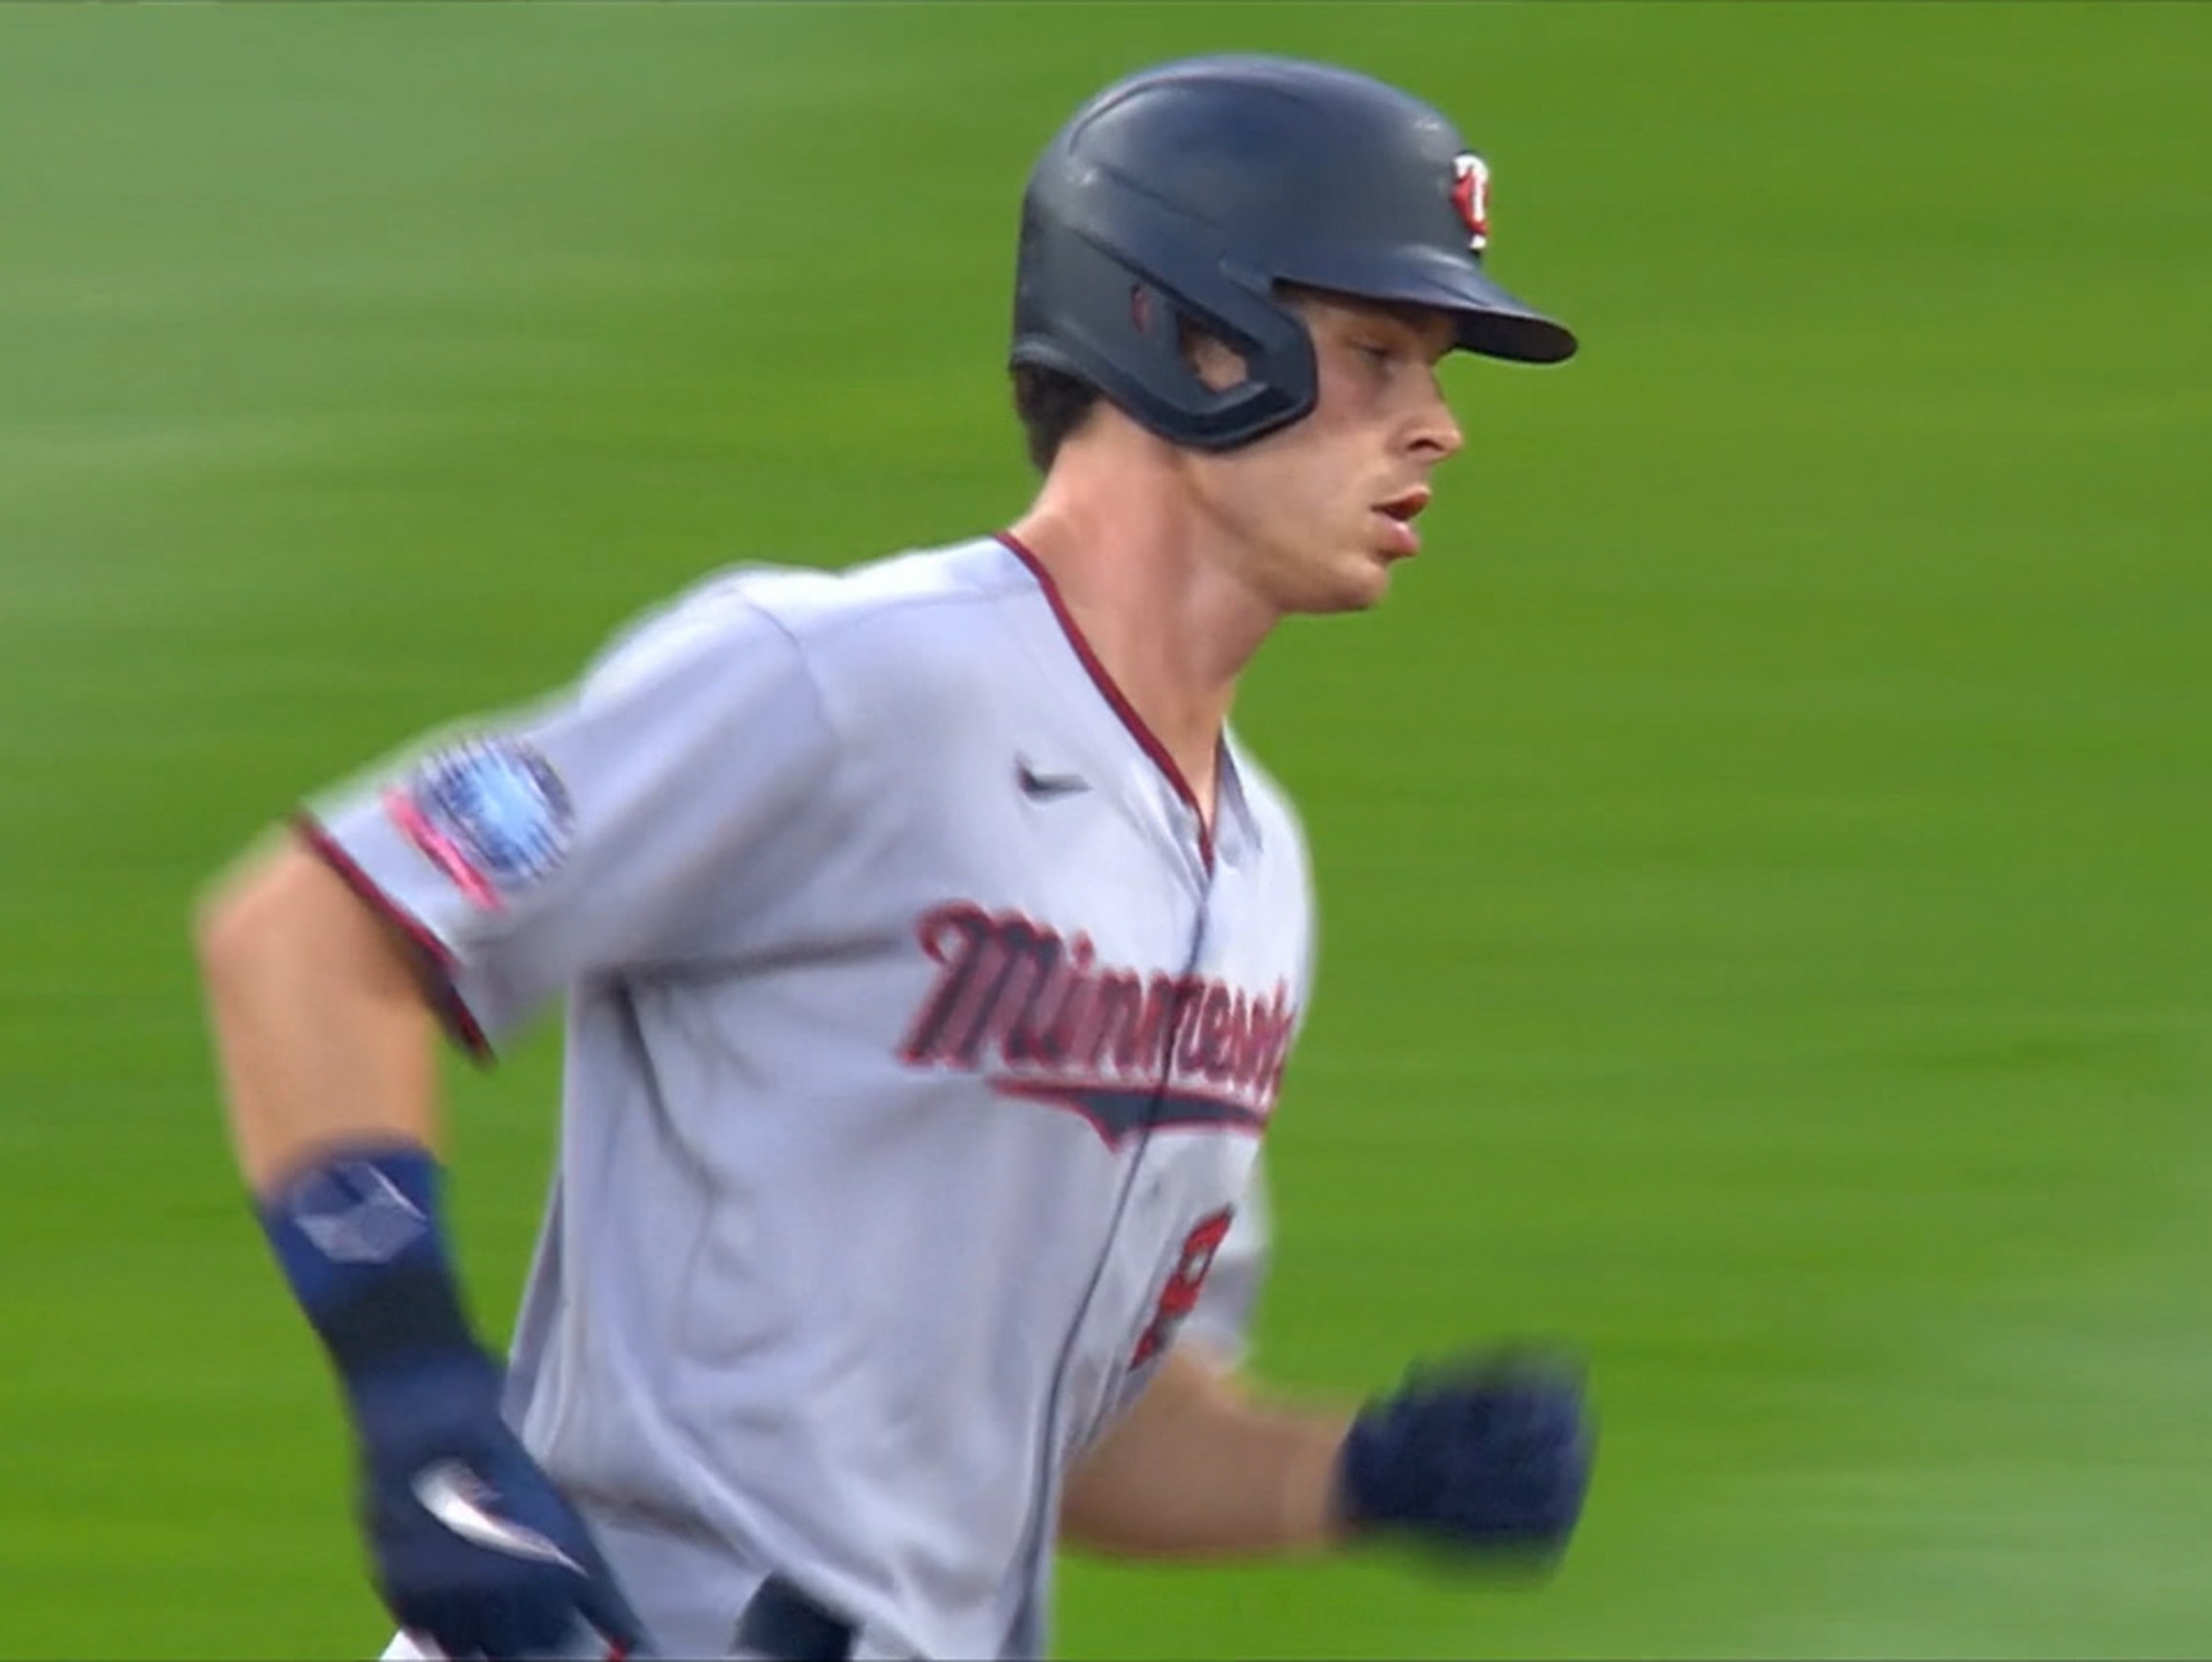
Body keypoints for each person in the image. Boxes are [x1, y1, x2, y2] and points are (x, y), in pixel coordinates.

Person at [191, 51, 1596, 1662]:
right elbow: (313, 928)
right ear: (1196, 339)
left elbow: (1080, 1440)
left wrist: (1366, 1471)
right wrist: (430, 1423)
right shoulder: (850, 682)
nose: (1440, 427)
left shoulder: (1257, 868)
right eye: (1378, 356)